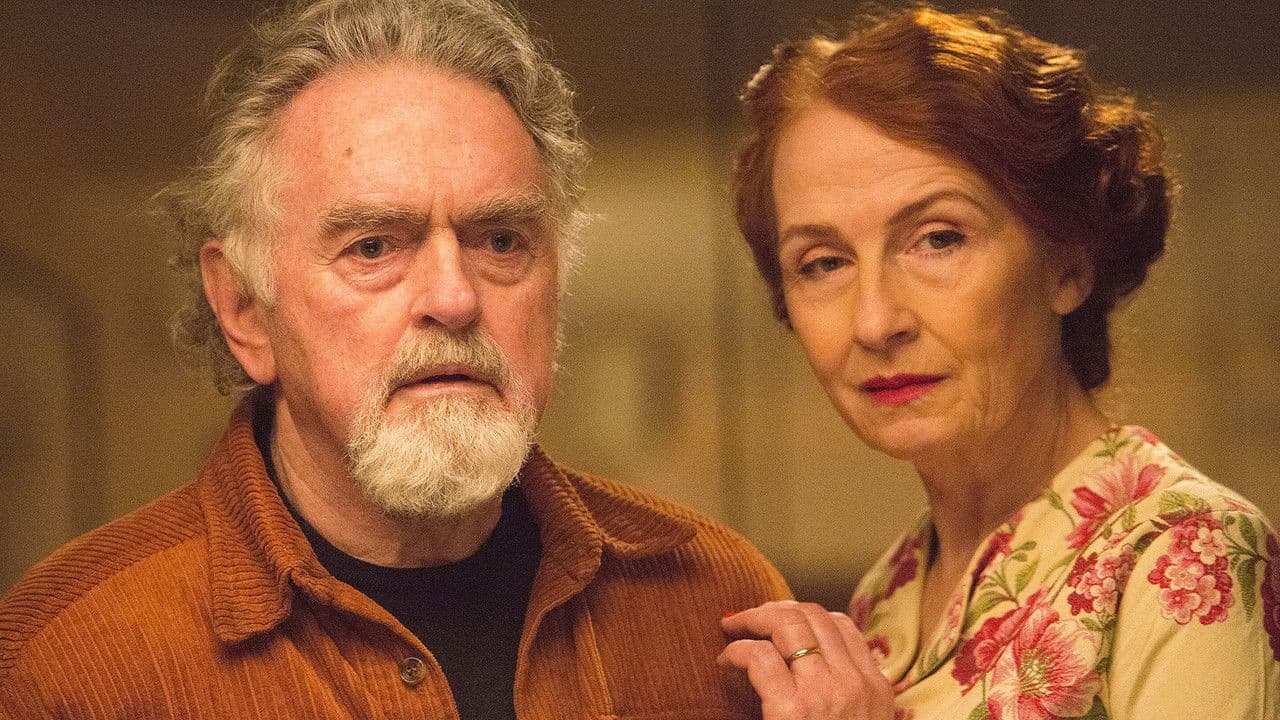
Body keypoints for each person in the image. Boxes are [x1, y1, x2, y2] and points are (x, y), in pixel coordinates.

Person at [0, 0, 790, 717]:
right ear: (243, 308)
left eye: (500, 240)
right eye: (374, 246)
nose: (454, 297)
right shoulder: (73, 663)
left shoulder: (715, 606)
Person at [718, 6, 1280, 719]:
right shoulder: (886, 593)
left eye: (939, 238)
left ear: (1067, 264)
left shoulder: (1184, 549)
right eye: (823, 262)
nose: (875, 322)